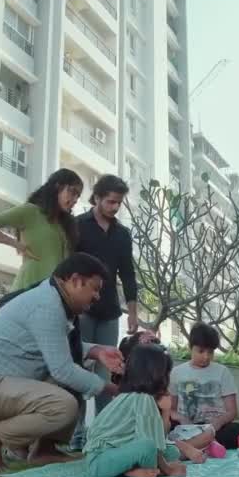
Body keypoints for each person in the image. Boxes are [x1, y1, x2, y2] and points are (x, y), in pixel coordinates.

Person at [0, 253, 126, 473]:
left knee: (72, 382)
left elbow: (53, 346)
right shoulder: (47, 307)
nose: (97, 297)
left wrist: (96, 351)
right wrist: (112, 389)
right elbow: (63, 369)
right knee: (63, 403)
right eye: (95, 288)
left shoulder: (51, 300)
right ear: (75, 280)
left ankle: (43, 450)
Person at [69, 174, 140, 451]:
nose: (114, 207)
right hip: (81, 310)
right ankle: (75, 434)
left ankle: (102, 435)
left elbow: (128, 274)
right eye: (110, 201)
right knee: (77, 371)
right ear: (97, 198)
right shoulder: (77, 226)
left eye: (118, 203)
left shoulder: (122, 234)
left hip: (110, 311)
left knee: (105, 373)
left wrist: (132, 312)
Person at [84, 343, 188, 477]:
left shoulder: (135, 396)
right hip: (99, 464)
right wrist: (169, 470)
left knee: (171, 451)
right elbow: (151, 443)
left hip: (111, 455)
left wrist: (166, 411)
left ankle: (130, 470)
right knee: (148, 447)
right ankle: (133, 471)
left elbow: (159, 439)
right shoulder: (143, 398)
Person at [0, 168, 84, 291]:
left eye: (78, 196)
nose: (75, 200)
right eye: (72, 192)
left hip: (53, 293)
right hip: (27, 290)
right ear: (57, 186)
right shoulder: (30, 211)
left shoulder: (65, 226)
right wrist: (16, 244)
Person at [167, 322, 239, 456]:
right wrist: (181, 418)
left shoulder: (222, 372)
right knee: (167, 428)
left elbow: (232, 411)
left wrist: (218, 422)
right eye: (201, 351)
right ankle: (206, 444)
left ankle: (193, 446)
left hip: (216, 428)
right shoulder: (177, 373)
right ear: (190, 347)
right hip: (187, 427)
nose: (206, 357)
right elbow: (170, 409)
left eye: (210, 352)